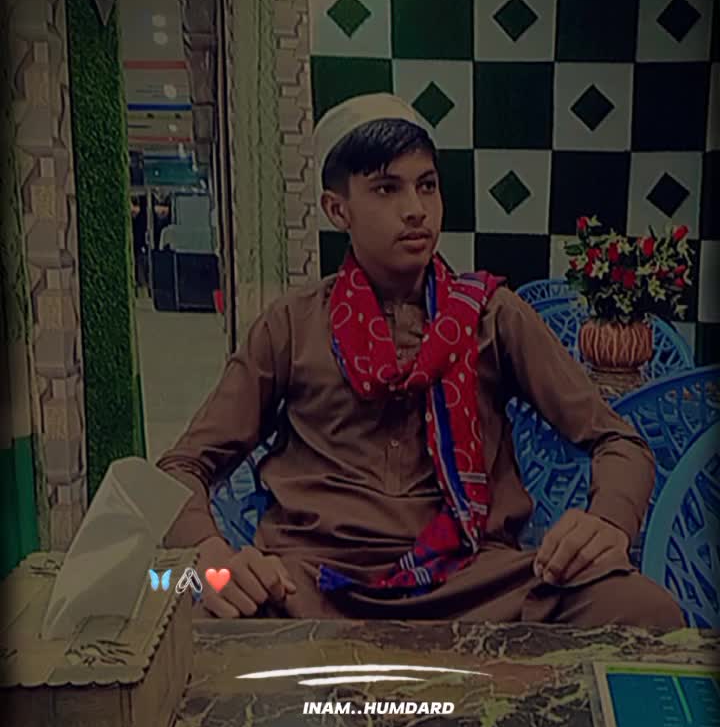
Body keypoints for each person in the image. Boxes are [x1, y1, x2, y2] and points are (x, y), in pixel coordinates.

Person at [157, 93, 684, 629]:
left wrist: (608, 522)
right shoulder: (291, 324)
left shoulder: (493, 315)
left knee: (645, 611)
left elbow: (618, 441)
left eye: (427, 185)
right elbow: (182, 467)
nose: (416, 209)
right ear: (337, 210)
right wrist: (210, 559)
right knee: (186, 615)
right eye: (387, 188)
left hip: (476, 584)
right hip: (310, 584)